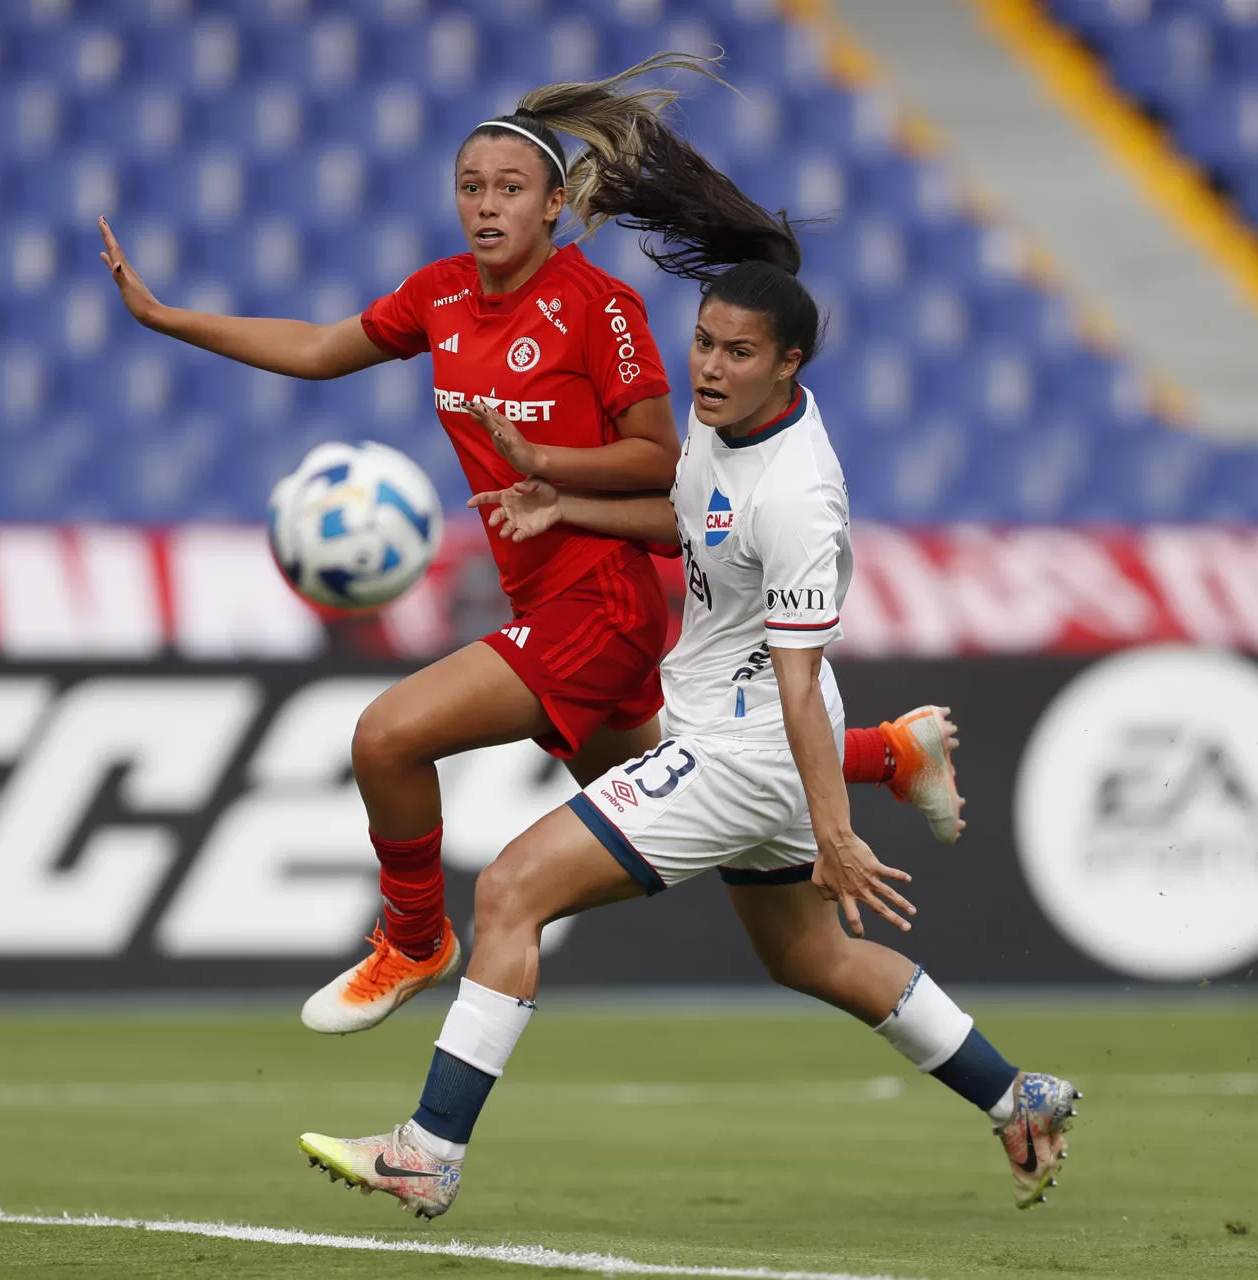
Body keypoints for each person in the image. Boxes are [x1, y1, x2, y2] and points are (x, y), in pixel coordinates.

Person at [296, 113, 1077, 1220]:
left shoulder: (801, 499)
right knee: (811, 957)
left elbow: (801, 680)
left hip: (744, 751)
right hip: (734, 735)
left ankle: (428, 1147)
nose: (707, 367)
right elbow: (686, 513)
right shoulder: (730, 424)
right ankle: (1013, 1090)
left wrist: (835, 828)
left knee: (511, 890)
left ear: (791, 364)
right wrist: (566, 498)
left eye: (736, 352)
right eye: (705, 342)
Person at [99, 55, 963, 1035]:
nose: (485, 206)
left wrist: (546, 466)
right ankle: (891, 753)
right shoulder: (440, 296)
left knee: (386, 735)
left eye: (509, 189)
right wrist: (165, 317)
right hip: (545, 601)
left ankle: (414, 937)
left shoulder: (598, 309)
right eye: (470, 187)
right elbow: (315, 347)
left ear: (555, 204)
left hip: (600, 607)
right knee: (710, 799)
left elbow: (661, 461)